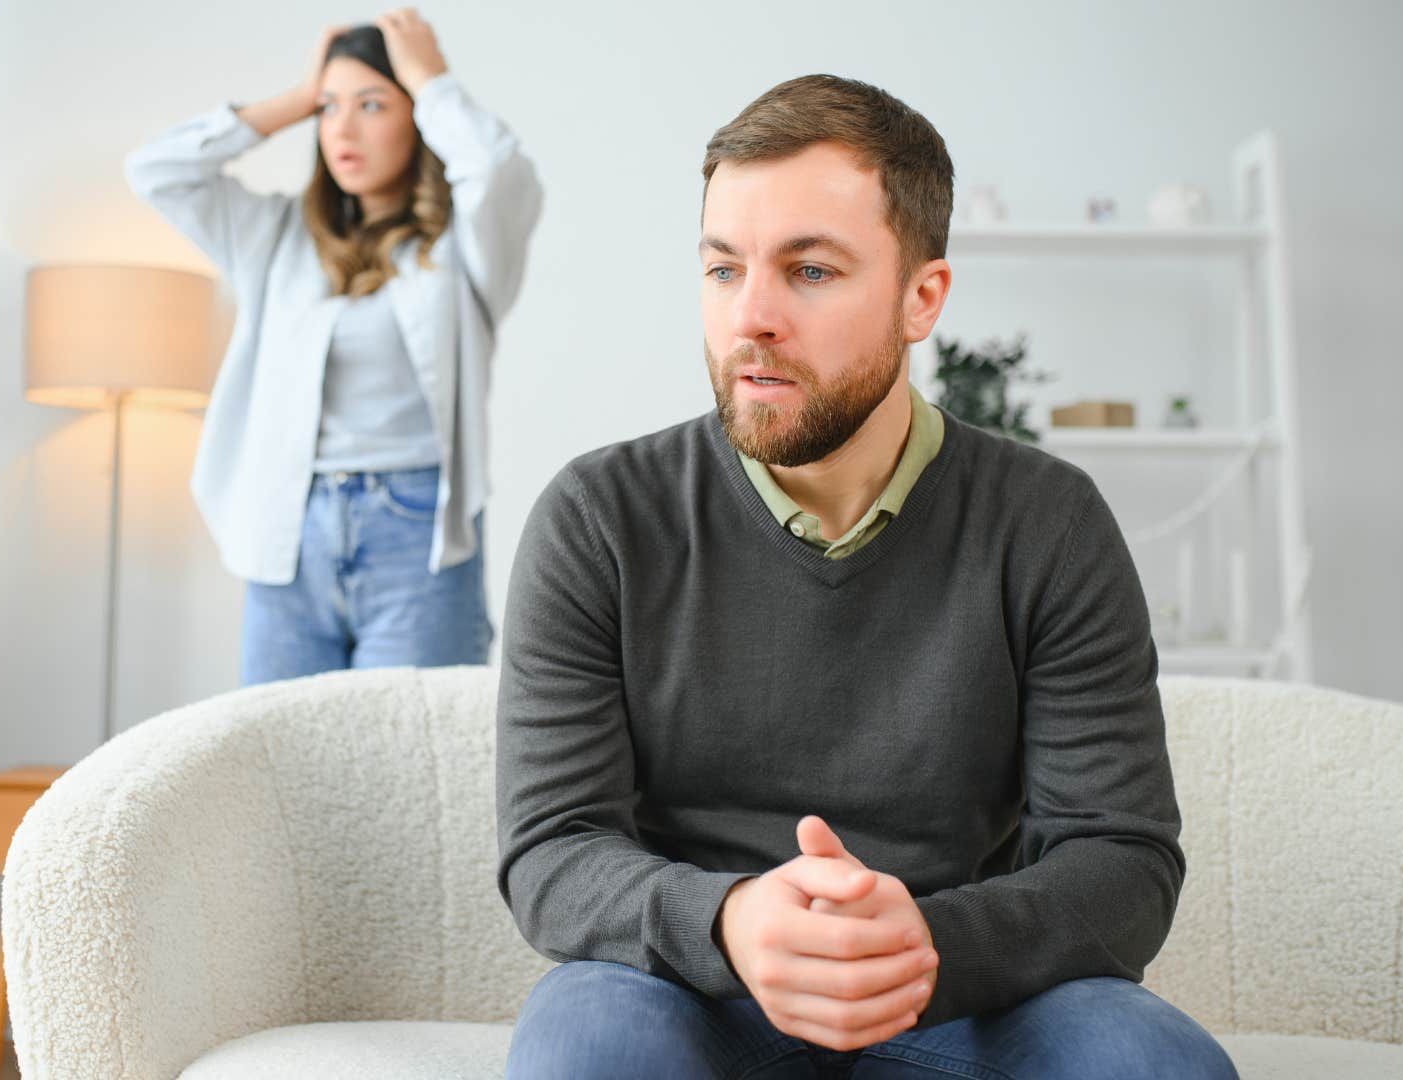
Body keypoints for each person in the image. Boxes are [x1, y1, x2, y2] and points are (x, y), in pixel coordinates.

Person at [495, 74, 1235, 1079]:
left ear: (921, 296)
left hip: (959, 993)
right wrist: (732, 919)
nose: (751, 315)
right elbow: (553, 852)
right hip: (690, 991)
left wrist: (925, 943)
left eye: (808, 271)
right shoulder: (598, 520)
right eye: (722, 270)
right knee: (587, 1043)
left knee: (1151, 1063)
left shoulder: (1049, 524)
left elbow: (1123, 863)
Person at [126, 10, 541, 685]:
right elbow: (156, 171)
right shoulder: (275, 236)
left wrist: (429, 79)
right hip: (288, 533)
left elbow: (497, 169)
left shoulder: (464, 247)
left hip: (416, 533)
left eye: (372, 105)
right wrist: (296, 97)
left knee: (408, 768)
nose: (342, 129)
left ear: (417, 121)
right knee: (282, 771)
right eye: (329, 109)